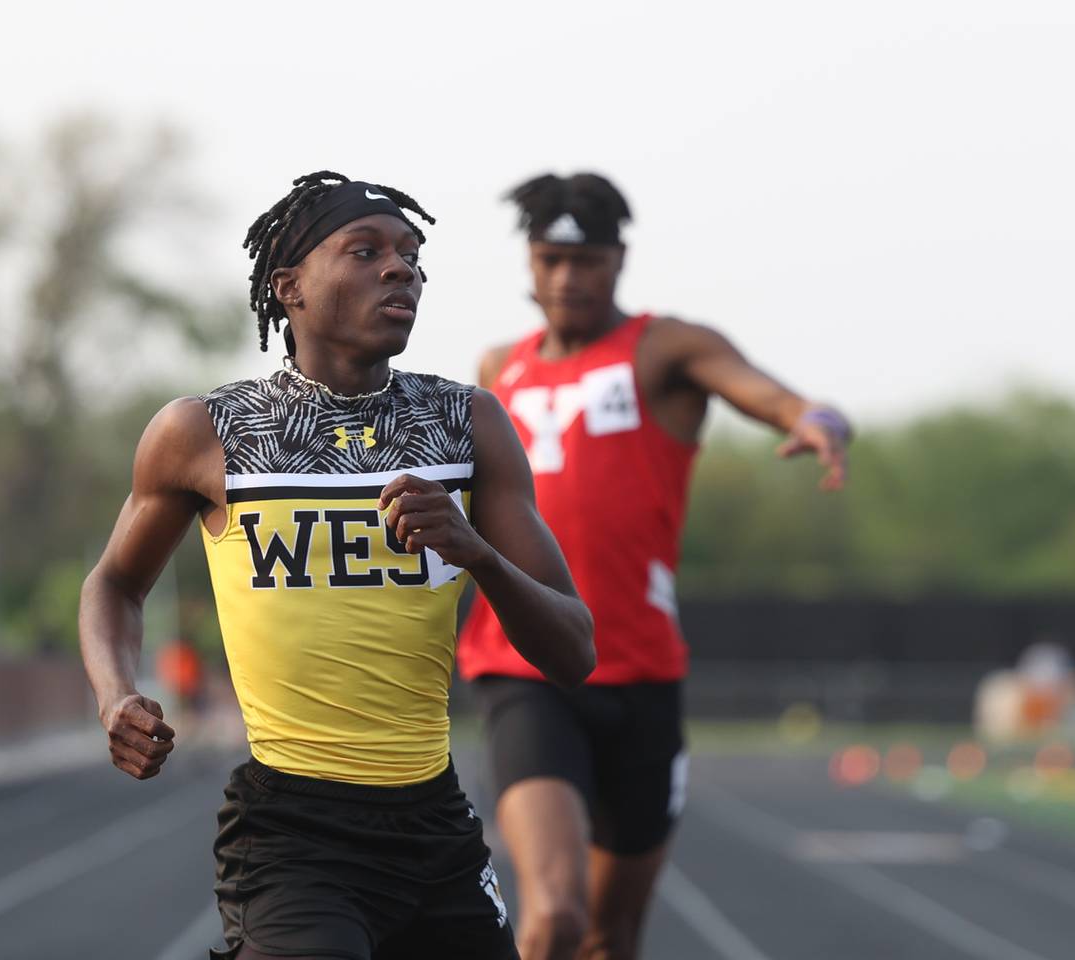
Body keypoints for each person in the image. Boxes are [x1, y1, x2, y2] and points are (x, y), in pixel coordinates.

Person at [79, 171, 595, 960]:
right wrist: (116, 697)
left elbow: (573, 650)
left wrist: (478, 554)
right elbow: (113, 583)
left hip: (434, 823)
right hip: (293, 829)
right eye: (367, 251)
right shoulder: (207, 432)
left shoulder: (467, 424)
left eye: (412, 257)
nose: (401, 270)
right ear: (289, 287)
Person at [458, 172, 851, 960]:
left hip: (641, 677)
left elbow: (763, 392)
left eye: (589, 261)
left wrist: (815, 419)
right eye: (551, 260)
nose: (569, 278)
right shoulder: (499, 367)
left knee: (610, 937)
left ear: (619, 261)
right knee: (554, 917)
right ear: (531, 265)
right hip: (528, 671)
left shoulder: (664, 348)